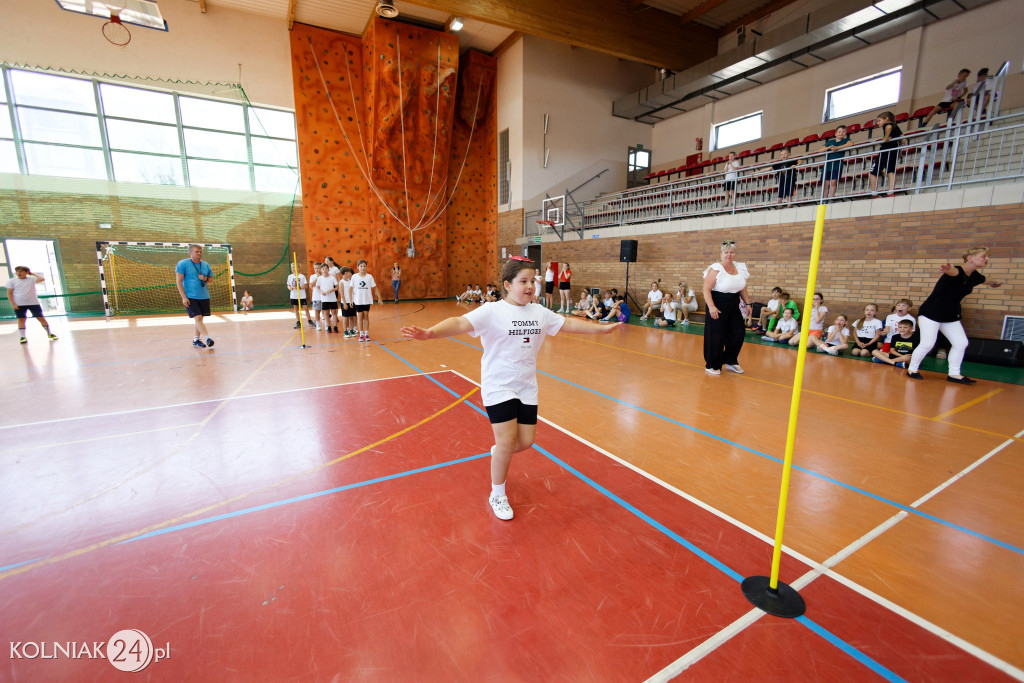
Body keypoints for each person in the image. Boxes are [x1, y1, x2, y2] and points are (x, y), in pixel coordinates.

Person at [401, 257, 621, 521]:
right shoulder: (492, 312)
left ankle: (499, 454)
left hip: (526, 386)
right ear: (508, 284)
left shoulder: (539, 312)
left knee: (525, 441)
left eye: (533, 282)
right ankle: (497, 494)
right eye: (523, 282)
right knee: (506, 441)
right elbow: (459, 323)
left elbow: (568, 324)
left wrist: (602, 329)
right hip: (499, 385)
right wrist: (429, 333)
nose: (530, 286)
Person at [906, 247, 1002, 383]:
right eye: (983, 256)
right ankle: (912, 370)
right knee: (927, 343)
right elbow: (954, 272)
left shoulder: (975, 276)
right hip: (930, 312)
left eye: (988, 257)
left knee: (961, 343)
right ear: (970, 258)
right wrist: (947, 270)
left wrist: (994, 283)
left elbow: (985, 280)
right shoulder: (957, 271)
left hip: (949, 315)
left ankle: (954, 374)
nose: (987, 259)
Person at [702, 241, 751, 375]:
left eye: (732, 252)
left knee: (738, 332)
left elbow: (742, 287)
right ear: (721, 254)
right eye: (726, 252)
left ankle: (730, 360)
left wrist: (748, 303)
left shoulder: (739, 268)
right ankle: (712, 364)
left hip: (733, 304)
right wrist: (711, 307)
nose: (729, 255)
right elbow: (706, 289)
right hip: (717, 303)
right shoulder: (716, 268)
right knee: (716, 335)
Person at [174, 244, 215, 349]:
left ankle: (196, 340)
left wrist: (204, 279)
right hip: (190, 296)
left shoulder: (205, 265)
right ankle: (207, 338)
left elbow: (211, 280)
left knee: (199, 319)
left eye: (200, 251)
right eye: (197, 251)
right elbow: (178, 281)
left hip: (204, 296)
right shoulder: (183, 264)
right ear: (190, 253)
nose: (199, 253)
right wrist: (184, 297)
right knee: (198, 317)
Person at [6, 266, 57, 344]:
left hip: (33, 303)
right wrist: (13, 304)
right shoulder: (12, 281)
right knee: (21, 319)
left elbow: (42, 279)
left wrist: (32, 273)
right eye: (17, 271)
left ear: (26, 272)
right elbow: (9, 293)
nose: (18, 273)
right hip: (19, 303)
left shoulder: (31, 279)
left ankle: (49, 333)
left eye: (21, 271)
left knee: (41, 318)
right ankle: (22, 337)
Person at [869, 111, 902, 196]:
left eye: (879, 120)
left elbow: (888, 127)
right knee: (890, 170)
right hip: (894, 149)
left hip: (885, 150)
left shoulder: (887, 125)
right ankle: (891, 190)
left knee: (873, 172)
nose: (878, 123)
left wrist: (886, 138)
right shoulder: (896, 127)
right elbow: (903, 138)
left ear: (886, 119)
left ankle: (873, 192)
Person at [817, 125, 855, 199]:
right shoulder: (831, 142)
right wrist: (829, 147)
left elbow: (851, 143)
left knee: (833, 182)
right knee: (826, 183)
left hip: (837, 164)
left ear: (845, 133)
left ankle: (831, 197)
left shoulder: (846, 140)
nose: (841, 133)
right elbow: (820, 150)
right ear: (835, 134)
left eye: (843, 132)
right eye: (839, 132)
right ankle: (825, 198)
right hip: (828, 165)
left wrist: (837, 148)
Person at [351, 259, 384, 342]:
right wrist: (351, 300)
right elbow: (350, 289)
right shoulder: (354, 277)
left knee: (366, 316)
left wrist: (379, 298)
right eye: (361, 266)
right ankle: (361, 334)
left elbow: (375, 288)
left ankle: (366, 333)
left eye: (364, 266)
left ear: (366, 267)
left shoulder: (369, 277)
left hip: (367, 300)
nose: (363, 268)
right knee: (360, 316)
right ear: (358, 267)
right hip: (358, 300)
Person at [287, 264, 314, 330]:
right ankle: (298, 322)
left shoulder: (302, 276)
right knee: (296, 309)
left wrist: (299, 287)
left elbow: (306, 286)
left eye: (295, 267)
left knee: (305, 309)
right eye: (292, 267)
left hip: (301, 296)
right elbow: (288, 285)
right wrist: (290, 288)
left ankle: (309, 320)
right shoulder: (290, 276)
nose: (293, 268)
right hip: (294, 296)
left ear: (298, 268)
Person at [316, 263, 339, 333]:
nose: (324, 270)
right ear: (321, 270)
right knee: (326, 313)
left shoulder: (332, 278)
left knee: (334, 312)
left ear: (328, 269)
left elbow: (337, 287)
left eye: (326, 268)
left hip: (332, 298)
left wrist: (331, 290)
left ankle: (335, 326)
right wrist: (321, 291)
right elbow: (317, 287)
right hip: (324, 298)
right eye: (323, 269)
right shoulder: (319, 278)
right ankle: (328, 326)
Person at [340, 266, 357, 337]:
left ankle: (351, 330)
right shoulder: (341, 282)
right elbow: (342, 294)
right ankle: (345, 331)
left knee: (352, 317)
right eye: (350, 272)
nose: (351, 274)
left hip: (351, 302)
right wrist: (344, 303)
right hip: (345, 302)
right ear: (346, 273)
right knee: (345, 317)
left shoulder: (351, 281)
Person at [309, 262, 323, 330]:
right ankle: (318, 324)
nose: (317, 269)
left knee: (325, 312)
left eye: (318, 268)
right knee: (317, 311)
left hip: (324, 297)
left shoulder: (324, 276)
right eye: (315, 268)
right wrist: (317, 278)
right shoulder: (312, 276)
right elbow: (311, 285)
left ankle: (327, 325)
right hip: (316, 297)